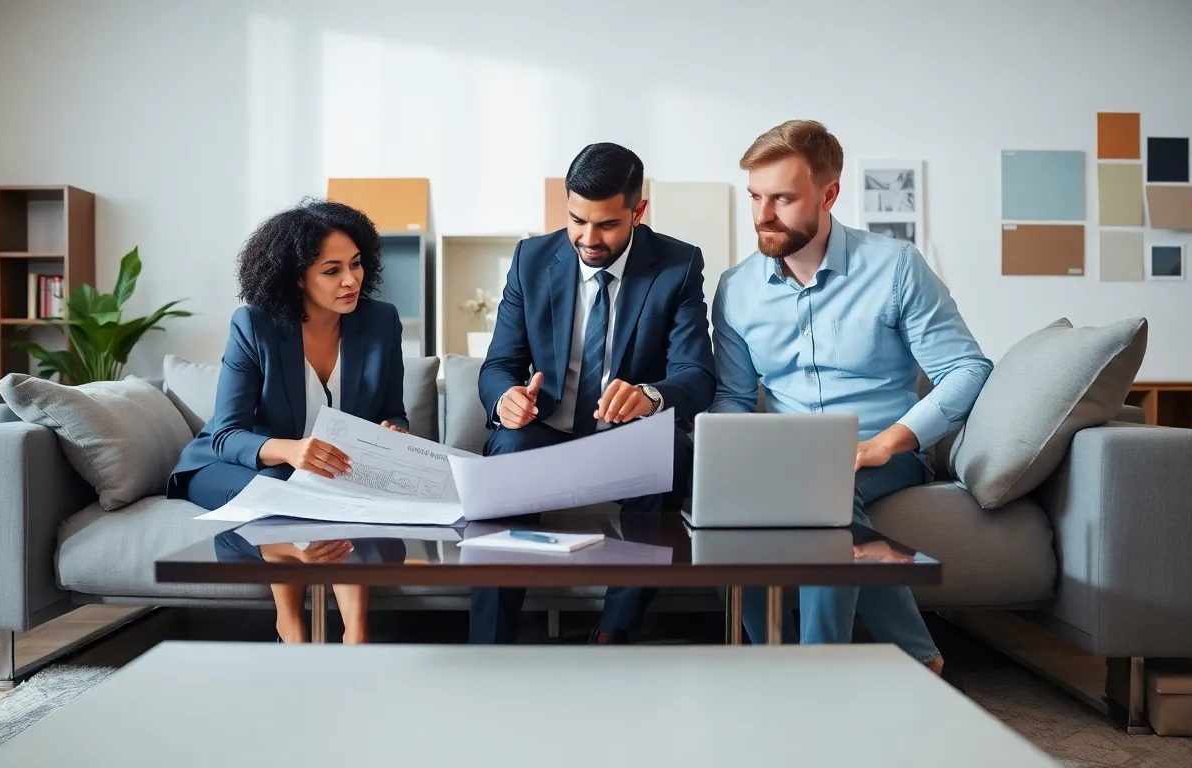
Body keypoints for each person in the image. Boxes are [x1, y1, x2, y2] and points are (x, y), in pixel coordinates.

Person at [710, 120, 992, 674]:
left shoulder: (895, 267)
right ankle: (785, 666)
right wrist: (728, 453)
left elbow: (966, 368)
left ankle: (823, 674)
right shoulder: (736, 289)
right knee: (730, 506)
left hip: (885, 453)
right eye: (755, 197)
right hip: (783, 457)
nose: (763, 215)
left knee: (822, 493)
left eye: (782, 199)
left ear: (829, 194)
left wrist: (887, 443)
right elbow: (733, 397)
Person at [470, 142, 716, 644]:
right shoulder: (531, 259)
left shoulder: (678, 264)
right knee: (506, 450)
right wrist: (505, 399)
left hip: (625, 438)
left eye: (606, 225)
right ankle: (489, 645)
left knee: (669, 450)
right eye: (577, 220)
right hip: (545, 431)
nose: (587, 238)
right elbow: (498, 366)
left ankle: (612, 633)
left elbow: (696, 375)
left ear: (638, 211)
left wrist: (651, 396)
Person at [168, 198, 410, 645]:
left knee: (333, 499)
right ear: (297, 276)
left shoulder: (381, 321)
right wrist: (292, 450)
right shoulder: (254, 325)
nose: (351, 279)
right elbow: (226, 434)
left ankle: (357, 636)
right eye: (332, 270)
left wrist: (391, 432)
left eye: (356, 264)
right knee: (283, 486)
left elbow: (392, 410)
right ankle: (291, 626)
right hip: (232, 463)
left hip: (329, 472)